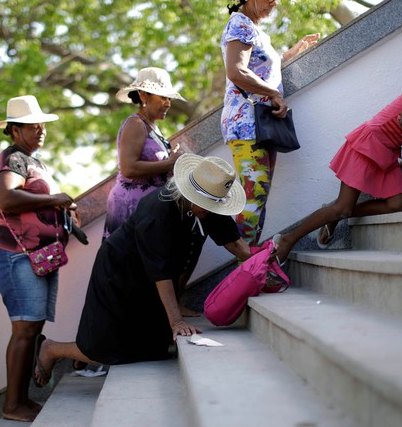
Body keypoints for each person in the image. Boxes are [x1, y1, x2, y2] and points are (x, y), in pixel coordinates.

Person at [33, 154, 252, 387]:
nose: (210, 209)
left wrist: (263, 264)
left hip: (151, 275)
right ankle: (52, 349)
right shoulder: (158, 210)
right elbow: (162, 273)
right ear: (191, 194)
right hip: (120, 271)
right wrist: (176, 320)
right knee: (108, 349)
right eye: (207, 205)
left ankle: (81, 357)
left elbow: (235, 244)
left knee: (152, 348)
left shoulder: (208, 204)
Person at [274, 46, 402, 264]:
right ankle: (287, 239)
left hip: (386, 152)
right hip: (370, 144)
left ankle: (334, 217)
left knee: (396, 204)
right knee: (342, 207)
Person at [0, 95, 76, 422]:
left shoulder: (30, 159)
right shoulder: (11, 159)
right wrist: (54, 198)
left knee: (31, 326)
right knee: (24, 329)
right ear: (14, 130)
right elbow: (6, 197)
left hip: (33, 254)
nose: (40, 130)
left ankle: (20, 400)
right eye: (32, 125)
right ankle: (13, 405)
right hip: (15, 254)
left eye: (42, 125)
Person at [218, 0, 319, 246]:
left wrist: (293, 52)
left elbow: (261, 67)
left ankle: (251, 267)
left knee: (258, 196)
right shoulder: (239, 23)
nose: (274, 2)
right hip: (247, 123)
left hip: (260, 123)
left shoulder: (253, 28)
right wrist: (274, 95)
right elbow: (237, 72)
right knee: (253, 195)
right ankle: (244, 267)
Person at [104, 67, 185, 239]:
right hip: (131, 208)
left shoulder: (152, 127)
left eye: (169, 98)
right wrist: (169, 163)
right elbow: (128, 168)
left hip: (148, 210)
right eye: (163, 97)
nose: (168, 103)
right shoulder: (136, 124)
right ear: (143, 95)